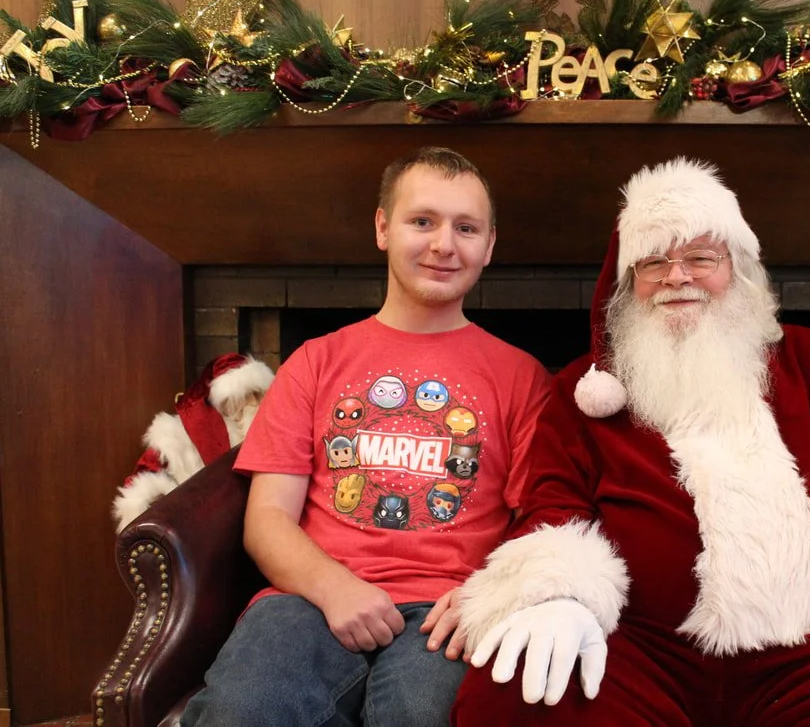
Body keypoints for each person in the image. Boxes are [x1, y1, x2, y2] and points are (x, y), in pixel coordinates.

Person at [451, 157, 810, 726]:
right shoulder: (584, 391)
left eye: (700, 258)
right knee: (507, 695)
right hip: (640, 653)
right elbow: (552, 500)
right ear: (628, 284)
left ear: (736, 268)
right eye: (653, 262)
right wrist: (559, 598)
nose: (677, 277)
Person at [181, 146, 551, 726]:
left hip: (450, 609)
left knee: (423, 715)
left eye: (466, 227)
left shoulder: (522, 377)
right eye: (422, 221)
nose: (443, 245)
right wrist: (335, 588)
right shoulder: (315, 361)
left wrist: (494, 591)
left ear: (490, 245)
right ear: (383, 227)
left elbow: (543, 518)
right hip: (307, 599)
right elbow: (267, 518)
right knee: (242, 710)